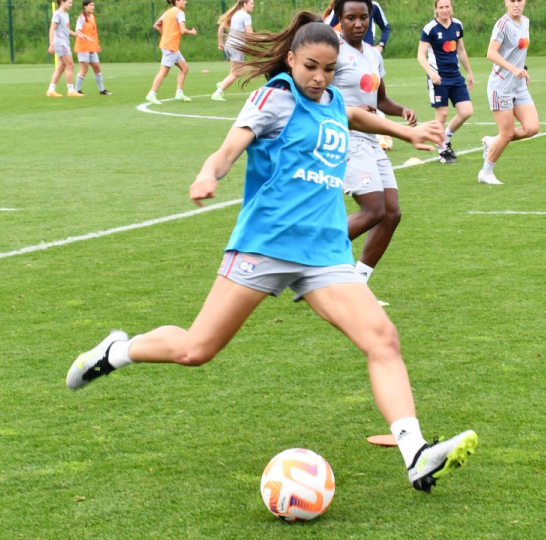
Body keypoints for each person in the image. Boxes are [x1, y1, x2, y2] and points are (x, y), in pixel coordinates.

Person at [65, 12, 478, 494]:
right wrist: (209, 175)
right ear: (290, 60)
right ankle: (118, 350)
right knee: (196, 350)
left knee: (382, 340)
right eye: (310, 67)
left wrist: (406, 132)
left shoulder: (332, 100)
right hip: (266, 246)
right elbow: (229, 148)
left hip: (324, 253)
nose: (319, 77)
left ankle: (416, 455)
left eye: (328, 68)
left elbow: (353, 113)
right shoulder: (275, 99)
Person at [333, 0, 416, 295]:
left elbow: (380, 100)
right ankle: (311, 252)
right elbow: (318, 96)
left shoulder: (372, 54)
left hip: (372, 138)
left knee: (391, 213)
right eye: (351, 17)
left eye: (363, 17)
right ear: (339, 19)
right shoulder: (332, 52)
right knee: (373, 210)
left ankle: (358, 282)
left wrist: (402, 109)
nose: (358, 23)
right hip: (347, 138)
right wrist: (351, 109)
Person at [476, 0, 539, 185]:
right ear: (506, 2)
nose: (516, 4)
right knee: (507, 133)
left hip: (518, 86)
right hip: (501, 86)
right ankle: (486, 172)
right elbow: (491, 53)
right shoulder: (502, 24)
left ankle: (492, 142)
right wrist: (513, 69)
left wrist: (522, 68)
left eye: (519, 0)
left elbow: (517, 52)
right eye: (512, 1)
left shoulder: (525, 22)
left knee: (532, 128)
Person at [417, 0, 475, 164]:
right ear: (435, 9)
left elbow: (461, 50)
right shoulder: (430, 29)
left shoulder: (457, 25)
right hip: (439, 77)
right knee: (442, 114)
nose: (444, 10)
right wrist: (431, 73)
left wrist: (469, 72)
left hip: (455, 76)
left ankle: (446, 137)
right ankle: (442, 151)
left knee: (466, 111)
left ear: (451, 8)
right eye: (441, 7)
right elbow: (421, 55)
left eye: (447, 6)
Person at [145, 0, 198, 105]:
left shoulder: (168, 12)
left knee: (184, 68)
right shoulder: (179, 13)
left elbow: (156, 25)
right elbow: (183, 30)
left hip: (171, 46)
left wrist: (165, 34)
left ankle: (179, 93)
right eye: (183, 0)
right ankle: (152, 94)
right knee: (164, 71)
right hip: (170, 46)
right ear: (177, 1)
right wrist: (192, 32)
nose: (185, 2)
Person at [212, 0, 254, 102]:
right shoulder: (246, 16)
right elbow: (250, 35)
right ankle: (218, 92)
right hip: (236, 47)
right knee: (237, 73)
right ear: (244, 4)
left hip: (229, 45)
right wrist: (262, 39)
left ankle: (222, 83)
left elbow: (221, 27)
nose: (253, 5)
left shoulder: (236, 14)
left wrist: (220, 42)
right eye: (251, 3)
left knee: (236, 70)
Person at [46, 0, 87, 98]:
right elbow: (52, 29)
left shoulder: (66, 15)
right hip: (61, 43)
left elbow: (66, 30)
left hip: (65, 43)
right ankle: (71, 90)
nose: (71, 5)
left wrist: (76, 34)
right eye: (69, 2)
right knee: (70, 65)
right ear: (62, 2)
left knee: (61, 67)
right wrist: (51, 44)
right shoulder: (57, 14)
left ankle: (51, 90)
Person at [73, 0, 111, 95]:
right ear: (85, 6)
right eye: (91, 5)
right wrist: (85, 37)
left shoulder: (92, 17)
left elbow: (93, 33)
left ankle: (102, 90)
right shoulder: (82, 18)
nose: (93, 7)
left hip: (91, 47)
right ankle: (77, 90)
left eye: (93, 5)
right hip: (83, 47)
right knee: (84, 68)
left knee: (97, 67)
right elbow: (77, 30)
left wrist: (97, 44)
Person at [326, 0, 391, 52]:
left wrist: (381, 45)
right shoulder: (343, 5)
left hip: (367, 53)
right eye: (351, 18)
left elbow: (385, 28)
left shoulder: (373, 5)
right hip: (346, 51)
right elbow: (325, 28)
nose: (358, 25)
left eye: (363, 17)